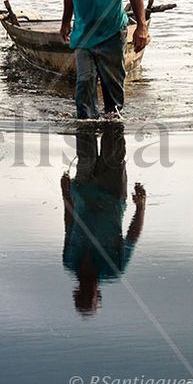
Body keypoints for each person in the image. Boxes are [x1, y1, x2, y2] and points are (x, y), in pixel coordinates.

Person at [60, 124, 146, 316]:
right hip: (113, 192)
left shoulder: (69, 261)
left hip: (82, 190)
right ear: (98, 296)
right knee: (113, 136)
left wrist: (65, 193)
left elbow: (69, 225)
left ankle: (85, 107)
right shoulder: (114, 269)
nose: (86, 292)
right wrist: (141, 207)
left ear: (75, 294)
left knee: (85, 136)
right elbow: (132, 237)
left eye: (81, 297)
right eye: (90, 298)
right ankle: (113, 110)